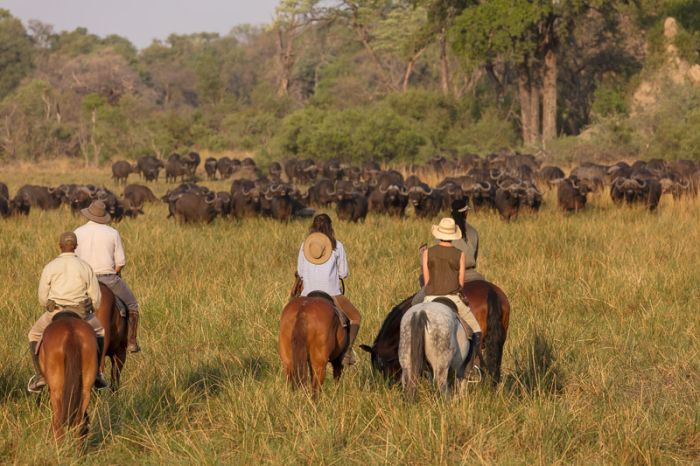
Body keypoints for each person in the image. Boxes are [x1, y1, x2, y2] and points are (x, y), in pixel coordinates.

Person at [28, 232, 109, 393]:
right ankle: (98, 374)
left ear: (60, 246)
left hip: (55, 313)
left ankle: (40, 375)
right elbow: (96, 297)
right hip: (81, 313)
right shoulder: (85, 266)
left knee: (33, 335)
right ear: (76, 247)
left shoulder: (50, 266)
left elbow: (42, 297)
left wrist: (48, 304)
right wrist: (91, 307)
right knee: (100, 331)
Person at [74, 200, 141, 353]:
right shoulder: (112, 233)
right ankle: (131, 341)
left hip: (84, 280)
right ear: (103, 216)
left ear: (88, 215)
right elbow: (120, 263)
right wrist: (115, 272)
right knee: (132, 305)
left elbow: (75, 260)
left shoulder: (77, 232)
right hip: (109, 278)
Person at [296, 214, 361, 366]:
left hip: (307, 294)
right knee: (356, 317)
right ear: (330, 227)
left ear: (312, 227)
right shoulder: (337, 246)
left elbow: (300, 272)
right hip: (332, 294)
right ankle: (347, 351)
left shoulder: (304, 246)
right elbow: (344, 273)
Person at [421, 217, 482, 364]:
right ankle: (471, 368)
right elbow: (460, 283)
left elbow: (427, 280)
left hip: (429, 298)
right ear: (453, 236)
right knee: (476, 330)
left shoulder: (427, 253)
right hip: (452, 298)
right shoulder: (460, 254)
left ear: (439, 234)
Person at [451, 198, 485, 283]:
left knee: (421, 295)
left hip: (450, 274)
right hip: (472, 274)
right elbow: (475, 256)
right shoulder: (473, 232)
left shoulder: (444, 232)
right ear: (466, 213)